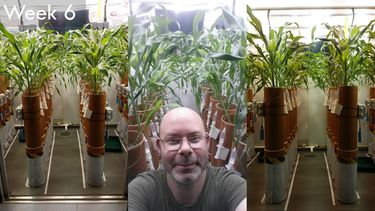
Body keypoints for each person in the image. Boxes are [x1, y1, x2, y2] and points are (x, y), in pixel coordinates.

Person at [128, 107, 247, 211]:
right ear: (159, 147)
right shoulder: (141, 191)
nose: (185, 149)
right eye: (174, 140)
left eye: (194, 138)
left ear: (207, 143)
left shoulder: (232, 187)